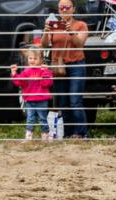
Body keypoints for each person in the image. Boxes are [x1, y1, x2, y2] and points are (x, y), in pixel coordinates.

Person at [41, 0, 89, 138]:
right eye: (61, 7)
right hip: (58, 66)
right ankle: (68, 134)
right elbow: (44, 46)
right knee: (63, 101)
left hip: (76, 65)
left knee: (75, 101)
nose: (64, 10)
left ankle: (81, 134)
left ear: (73, 9)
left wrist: (71, 32)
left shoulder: (81, 25)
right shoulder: (54, 26)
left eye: (67, 7)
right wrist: (46, 31)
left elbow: (80, 44)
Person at [11, 47, 53, 141]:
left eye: (35, 58)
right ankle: (29, 136)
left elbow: (47, 83)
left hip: (42, 100)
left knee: (43, 118)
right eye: (30, 58)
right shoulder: (26, 71)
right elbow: (20, 82)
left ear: (41, 60)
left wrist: (45, 72)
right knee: (30, 118)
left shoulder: (45, 70)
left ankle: (45, 136)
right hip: (30, 100)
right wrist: (14, 74)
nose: (32, 61)